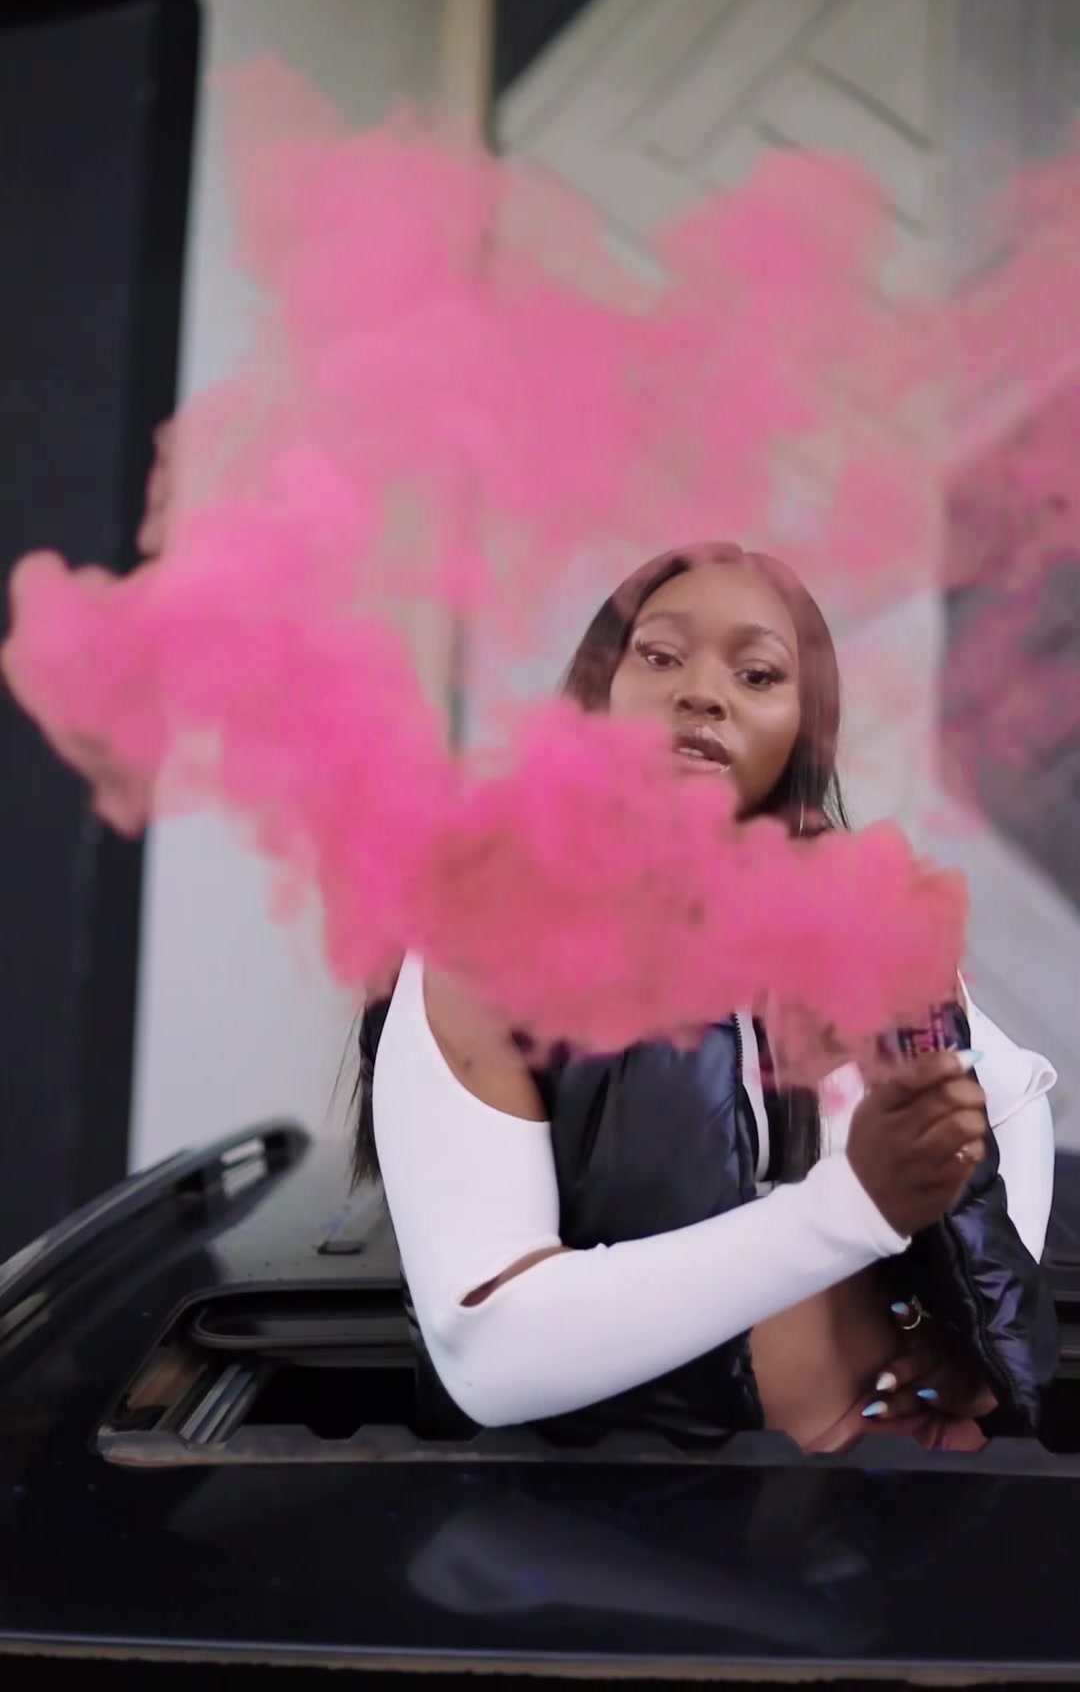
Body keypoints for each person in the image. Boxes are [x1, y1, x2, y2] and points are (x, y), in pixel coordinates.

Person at [360, 544, 1059, 1454]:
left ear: (805, 728)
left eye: (757, 674)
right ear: (598, 689)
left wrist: (974, 1336)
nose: (701, 693)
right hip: (617, 1512)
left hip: (898, 1488)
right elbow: (487, 1353)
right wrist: (854, 1209)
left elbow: (1009, 1095)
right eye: (660, 656)